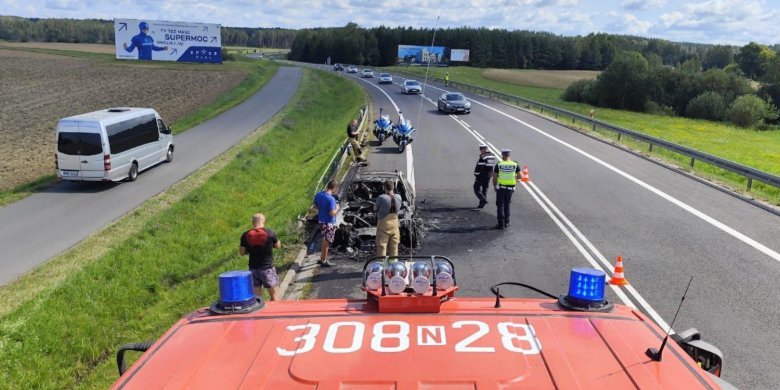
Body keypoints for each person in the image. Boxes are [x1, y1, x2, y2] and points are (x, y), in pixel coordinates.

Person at [239, 213, 282, 300]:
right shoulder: (270, 233)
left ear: (252, 222)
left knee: (256, 299)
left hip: (253, 269)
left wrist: (250, 248)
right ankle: (275, 312)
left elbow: (242, 252)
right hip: (267, 268)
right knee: (274, 296)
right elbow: (278, 246)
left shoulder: (246, 235)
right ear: (264, 221)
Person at [313, 180, 340, 267]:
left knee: (324, 239)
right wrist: (337, 208)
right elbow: (332, 213)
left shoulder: (319, 194)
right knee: (327, 241)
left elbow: (315, 206)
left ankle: (322, 258)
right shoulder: (331, 199)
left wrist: (322, 209)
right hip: (329, 223)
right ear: (334, 188)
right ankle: (323, 260)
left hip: (321, 221)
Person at [492, 149, 521, 230]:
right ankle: (507, 223)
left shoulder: (499, 164)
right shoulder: (515, 164)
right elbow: (520, 176)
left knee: (500, 205)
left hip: (501, 188)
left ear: (503, 155)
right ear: (509, 155)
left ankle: (500, 224)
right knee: (507, 205)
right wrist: (514, 180)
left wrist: (494, 185)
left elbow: (494, 177)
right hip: (510, 189)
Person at [374, 180, 402, 257]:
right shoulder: (398, 197)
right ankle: (394, 265)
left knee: (382, 245)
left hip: (384, 224)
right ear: (393, 187)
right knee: (394, 245)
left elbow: (375, 208)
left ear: (384, 188)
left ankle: (381, 264)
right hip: (394, 223)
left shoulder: (381, 198)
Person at [473, 144, 497, 208]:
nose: (480, 151)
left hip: (481, 175)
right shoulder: (493, 155)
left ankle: (483, 200)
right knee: (484, 189)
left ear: (484, 149)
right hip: (489, 175)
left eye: (481, 149)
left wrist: (476, 174)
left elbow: (479, 166)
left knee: (476, 188)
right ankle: (481, 205)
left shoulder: (483, 157)